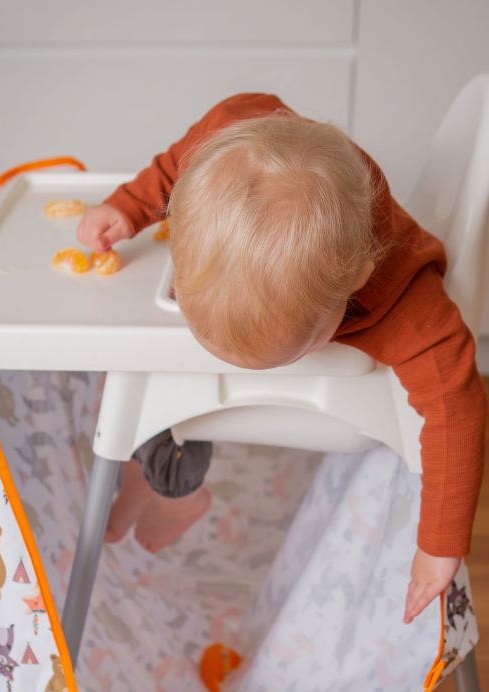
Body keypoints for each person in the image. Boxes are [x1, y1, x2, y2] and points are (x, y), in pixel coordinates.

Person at [77, 93, 486, 625]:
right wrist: (128, 206)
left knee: (149, 384)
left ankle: (174, 492)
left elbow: (458, 406)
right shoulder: (229, 134)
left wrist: (439, 547)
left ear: (354, 284)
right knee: (137, 360)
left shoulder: (405, 302)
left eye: (278, 351)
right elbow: (175, 164)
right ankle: (153, 480)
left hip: (341, 408)